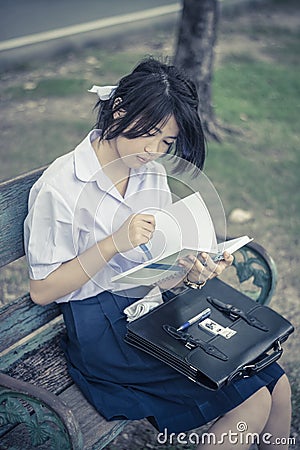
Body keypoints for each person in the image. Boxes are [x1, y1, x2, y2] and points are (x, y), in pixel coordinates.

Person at [24, 57, 291, 449]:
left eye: (166, 142)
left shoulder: (149, 171)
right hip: (103, 332)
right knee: (252, 401)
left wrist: (191, 271)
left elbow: (155, 266)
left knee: (277, 384)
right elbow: (42, 291)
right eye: (147, 133)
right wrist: (113, 242)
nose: (152, 150)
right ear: (119, 110)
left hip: (151, 310)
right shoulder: (60, 186)